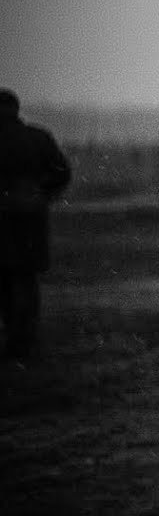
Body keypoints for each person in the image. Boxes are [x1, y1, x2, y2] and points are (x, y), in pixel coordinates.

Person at [0, 89, 71, 359]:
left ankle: (13, 336)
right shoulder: (37, 137)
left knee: (4, 280)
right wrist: (41, 193)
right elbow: (62, 171)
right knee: (26, 280)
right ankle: (24, 340)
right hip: (30, 217)